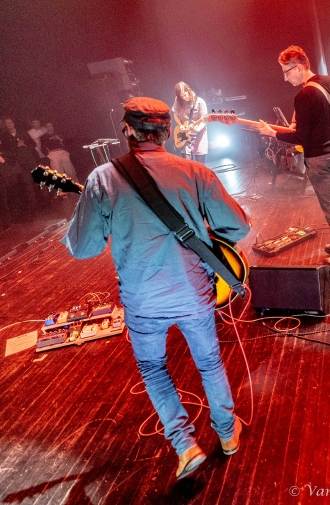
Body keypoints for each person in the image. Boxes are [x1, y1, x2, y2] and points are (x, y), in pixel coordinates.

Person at [62, 97, 250, 480]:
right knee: (209, 362)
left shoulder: (102, 179)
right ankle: (227, 434)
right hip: (194, 292)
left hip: (142, 301)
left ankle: (185, 446)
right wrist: (205, 231)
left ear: (127, 130)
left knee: (153, 368)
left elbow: (84, 248)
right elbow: (239, 226)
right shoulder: (196, 171)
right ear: (168, 131)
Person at [256, 45, 330, 268]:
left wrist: (271, 133)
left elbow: (300, 137)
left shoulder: (304, 96)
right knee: (329, 201)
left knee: (329, 205)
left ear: (299, 67)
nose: (285, 78)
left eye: (286, 72)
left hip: (318, 159)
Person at [172, 82, 208, 163]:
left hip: (199, 134)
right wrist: (180, 125)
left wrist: (197, 129)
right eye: (182, 96)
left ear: (188, 90)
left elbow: (203, 121)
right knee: (187, 164)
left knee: (200, 164)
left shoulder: (200, 102)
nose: (184, 98)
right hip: (185, 135)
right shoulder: (178, 100)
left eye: (185, 95)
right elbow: (175, 115)